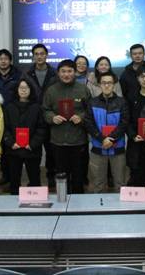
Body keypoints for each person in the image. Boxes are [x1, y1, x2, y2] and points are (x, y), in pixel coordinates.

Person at [43, 59, 90, 194]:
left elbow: (90, 111)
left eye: (69, 71)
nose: (66, 74)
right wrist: (52, 117)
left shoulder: (83, 89)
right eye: (63, 71)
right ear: (58, 73)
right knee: (61, 175)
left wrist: (81, 117)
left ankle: (78, 201)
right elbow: (45, 110)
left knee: (78, 176)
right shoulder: (51, 90)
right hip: (58, 141)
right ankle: (62, 199)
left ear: (75, 72)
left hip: (78, 140)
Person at [84, 71, 128, 192]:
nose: (107, 85)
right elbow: (88, 123)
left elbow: (124, 123)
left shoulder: (122, 102)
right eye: (104, 83)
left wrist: (111, 139)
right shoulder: (92, 102)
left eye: (110, 83)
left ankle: (121, 205)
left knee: (120, 183)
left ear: (114, 85)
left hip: (118, 148)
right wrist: (102, 139)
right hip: (98, 147)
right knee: (98, 184)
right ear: (99, 85)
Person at [3, 79, 47, 195]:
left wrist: (32, 144)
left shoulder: (37, 107)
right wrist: (11, 142)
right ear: (16, 90)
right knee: (14, 180)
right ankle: (14, 202)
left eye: (26, 88)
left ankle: (36, 202)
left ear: (31, 90)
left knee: (34, 179)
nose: (23, 90)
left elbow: (41, 128)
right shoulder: (9, 107)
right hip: (14, 149)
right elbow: (5, 128)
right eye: (21, 88)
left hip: (32, 149)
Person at [0, 48, 22, 188]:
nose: (3, 61)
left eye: (6, 59)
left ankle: (13, 176)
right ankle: (5, 174)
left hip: (14, 115)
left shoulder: (19, 76)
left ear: (10, 60)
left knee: (11, 145)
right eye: (0, 59)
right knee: (1, 145)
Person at [26, 43, 57, 187]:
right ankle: (35, 180)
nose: (39, 56)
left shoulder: (54, 73)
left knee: (51, 150)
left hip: (50, 116)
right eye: (36, 54)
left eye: (42, 54)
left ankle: (51, 175)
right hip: (34, 117)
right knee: (34, 150)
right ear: (33, 56)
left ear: (46, 55)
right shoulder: (27, 74)